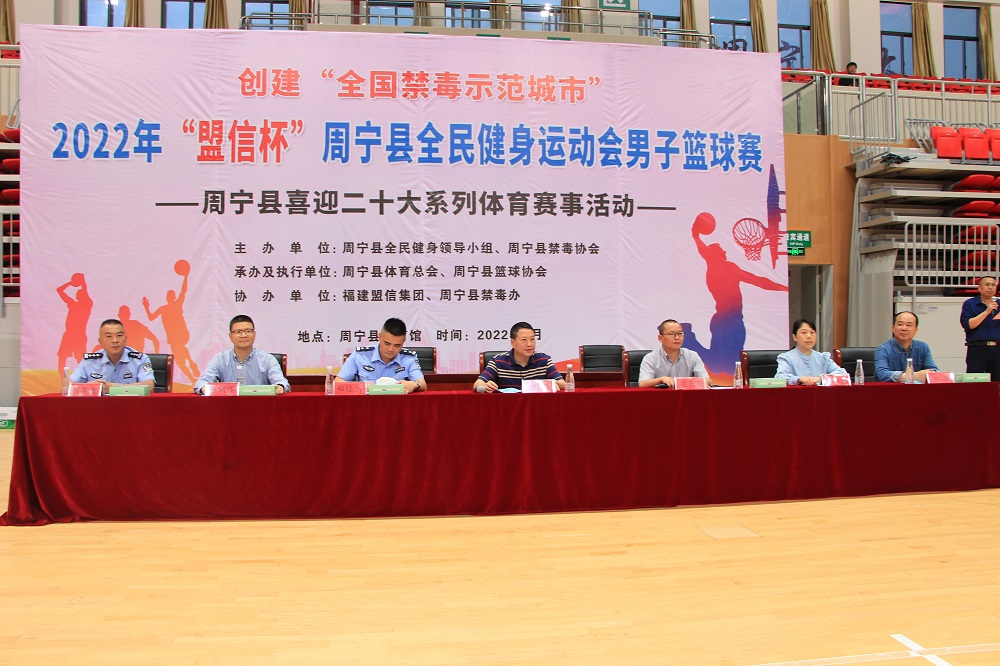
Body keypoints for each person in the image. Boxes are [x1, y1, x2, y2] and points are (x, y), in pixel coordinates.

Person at [192, 315, 290, 394]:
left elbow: (282, 383)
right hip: (229, 407)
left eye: (248, 331)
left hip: (260, 407)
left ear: (254, 334)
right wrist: (206, 389)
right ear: (230, 336)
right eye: (238, 332)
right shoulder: (220, 359)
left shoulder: (267, 359)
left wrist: (280, 387)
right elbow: (201, 384)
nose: (243, 335)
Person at [337, 318, 426, 393]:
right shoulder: (360, 356)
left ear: (403, 342)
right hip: (366, 405)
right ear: (379, 337)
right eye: (387, 343)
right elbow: (338, 382)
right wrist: (361, 386)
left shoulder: (408, 358)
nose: (391, 349)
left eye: (397, 345)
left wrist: (414, 384)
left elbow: (422, 384)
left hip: (397, 405)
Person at [474, 322, 565, 392]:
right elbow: (478, 384)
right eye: (523, 340)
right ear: (512, 342)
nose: (529, 344)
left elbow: (563, 384)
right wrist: (485, 386)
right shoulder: (498, 361)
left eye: (532, 339)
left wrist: (548, 384)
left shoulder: (544, 360)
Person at [69, 318, 155, 391]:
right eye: (109, 336)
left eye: (119, 335)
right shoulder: (90, 361)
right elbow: (70, 387)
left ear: (125, 339)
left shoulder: (140, 359)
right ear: (100, 341)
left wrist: (111, 387)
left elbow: (149, 387)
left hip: (130, 404)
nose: (115, 340)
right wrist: (91, 387)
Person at [638, 319, 710, 388]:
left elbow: (707, 380)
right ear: (660, 338)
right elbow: (643, 383)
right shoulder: (651, 358)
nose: (677, 337)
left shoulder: (692, 356)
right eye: (672, 334)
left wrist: (686, 382)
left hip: (685, 395)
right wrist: (661, 379)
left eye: (680, 333)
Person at [775, 318, 847, 386]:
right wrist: (799, 379)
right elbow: (780, 377)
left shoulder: (823, 358)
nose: (809, 336)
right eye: (804, 332)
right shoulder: (786, 358)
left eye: (812, 332)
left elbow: (842, 374)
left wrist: (819, 378)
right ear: (795, 337)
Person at [874, 311, 939, 382]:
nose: (904, 328)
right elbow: (882, 375)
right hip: (891, 388)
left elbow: (934, 371)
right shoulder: (883, 349)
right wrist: (914, 376)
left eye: (908, 325)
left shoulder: (923, 347)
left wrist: (932, 373)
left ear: (916, 330)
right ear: (893, 328)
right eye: (900, 324)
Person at [960, 276, 1000, 381]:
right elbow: (968, 325)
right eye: (987, 285)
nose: (990, 287)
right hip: (977, 349)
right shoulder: (970, 304)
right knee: (975, 382)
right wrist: (987, 311)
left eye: (993, 285)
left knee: (997, 383)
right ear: (979, 288)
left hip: (997, 350)